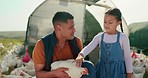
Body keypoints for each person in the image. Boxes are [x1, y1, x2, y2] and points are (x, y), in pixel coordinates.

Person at [32, 11, 96, 78]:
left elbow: (79, 67)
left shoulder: (77, 42)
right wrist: (54, 73)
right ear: (58, 28)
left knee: (89, 66)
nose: (74, 30)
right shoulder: (42, 45)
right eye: (71, 27)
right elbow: (38, 74)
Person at [75, 8, 133, 78]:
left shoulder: (122, 37)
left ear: (118, 23)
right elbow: (89, 47)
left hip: (118, 71)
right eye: (105, 22)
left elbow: (127, 57)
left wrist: (129, 73)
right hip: (102, 70)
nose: (106, 25)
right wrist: (81, 55)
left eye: (110, 22)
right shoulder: (100, 36)